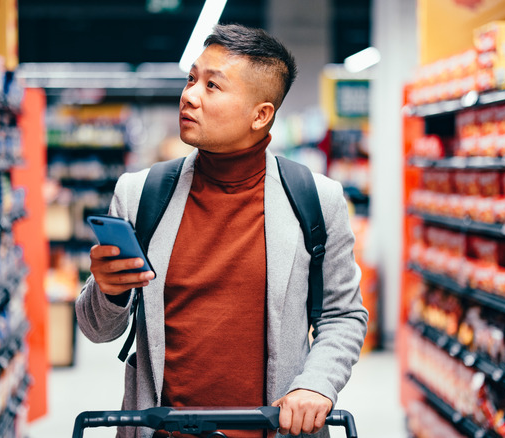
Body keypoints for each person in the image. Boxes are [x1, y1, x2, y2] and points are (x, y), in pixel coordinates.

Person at [75, 23, 368, 438]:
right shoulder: (140, 194)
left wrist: (316, 384)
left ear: (260, 115)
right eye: (191, 79)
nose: (189, 95)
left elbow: (343, 315)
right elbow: (96, 329)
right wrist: (109, 290)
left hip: (273, 430)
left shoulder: (317, 200)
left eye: (213, 86)